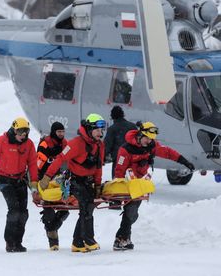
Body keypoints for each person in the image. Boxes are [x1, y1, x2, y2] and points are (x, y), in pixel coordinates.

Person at [113, 121, 195, 251]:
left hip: (141, 185)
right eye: (147, 138)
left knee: (132, 214)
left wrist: (184, 161)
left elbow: (168, 152)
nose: (149, 141)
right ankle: (120, 239)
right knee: (131, 212)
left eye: (151, 139)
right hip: (128, 185)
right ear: (140, 136)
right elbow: (119, 169)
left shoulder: (151, 146)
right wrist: (117, 190)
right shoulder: (126, 149)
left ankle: (124, 239)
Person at [39, 113, 105, 253]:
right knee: (86, 205)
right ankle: (88, 239)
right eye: (98, 130)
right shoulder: (76, 143)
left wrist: (98, 185)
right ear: (89, 129)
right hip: (73, 180)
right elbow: (60, 159)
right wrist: (47, 177)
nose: (101, 133)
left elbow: (98, 167)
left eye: (102, 129)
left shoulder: (100, 145)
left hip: (88, 182)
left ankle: (77, 242)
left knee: (87, 208)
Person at [0, 117, 38, 253]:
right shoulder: (2, 141)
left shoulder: (29, 144)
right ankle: (10, 242)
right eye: (21, 132)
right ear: (14, 130)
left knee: (23, 213)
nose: (24, 135)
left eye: (26, 132)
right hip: (5, 180)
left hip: (20, 179)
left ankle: (18, 242)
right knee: (14, 210)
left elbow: (33, 164)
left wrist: (34, 184)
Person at [37, 121, 69, 251]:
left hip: (60, 180)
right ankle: (53, 241)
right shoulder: (45, 144)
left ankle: (51, 228)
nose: (61, 134)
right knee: (49, 211)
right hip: (45, 180)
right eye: (59, 132)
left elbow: (69, 158)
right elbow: (39, 163)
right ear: (53, 132)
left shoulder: (65, 144)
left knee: (65, 210)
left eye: (63, 132)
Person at [104, 105, 137, 179]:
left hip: (119, 161)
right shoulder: (133, 126)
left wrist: (102, 158)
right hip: (133, 160)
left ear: (112, 117)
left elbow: (107, 146)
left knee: (118, 183)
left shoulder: (112, 129)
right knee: (133, 183)